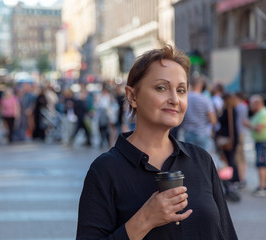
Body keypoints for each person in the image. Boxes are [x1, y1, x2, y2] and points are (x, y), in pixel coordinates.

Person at [77, 45, 237, 239]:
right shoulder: (105, 170)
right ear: (132, 96)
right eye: (161, 88)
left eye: (181, 90)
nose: (174, 99)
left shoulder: (201, 160)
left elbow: (226, 234)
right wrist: (145, 219)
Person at [181, 76, 217, 152]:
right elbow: (213, 120)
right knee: (203, 160)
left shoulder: (185, 98)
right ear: (201, 85)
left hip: (188, 132)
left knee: (189, 158)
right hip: (203, 133)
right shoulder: (206, 100)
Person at [244, 94, 266, 197]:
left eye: (252, 104)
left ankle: (262, 187)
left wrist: (248, 125)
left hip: (263, 143)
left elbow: (259, 128)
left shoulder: (262, 114)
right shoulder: (259, 113)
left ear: (258, 103)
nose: (250, 106)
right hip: (260, 142)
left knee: (261, 165)